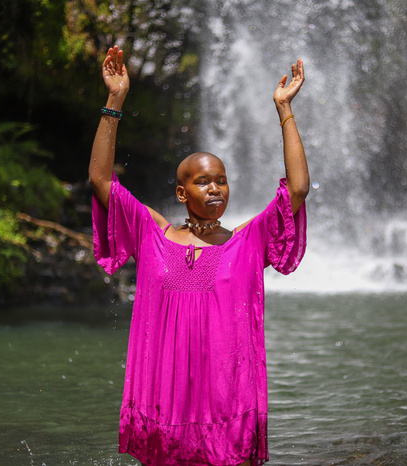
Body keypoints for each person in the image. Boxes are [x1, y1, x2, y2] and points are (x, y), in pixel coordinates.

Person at [90, 45, 309, 466]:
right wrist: (114, 100)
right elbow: (101, 180)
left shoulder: (246, 241)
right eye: (204, 181)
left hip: (228, 407)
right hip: (164, 403)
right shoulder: (153, 234)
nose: (215, 189)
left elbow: (296, 191)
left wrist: (284, 110)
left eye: (222, 181)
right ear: (181, 192)